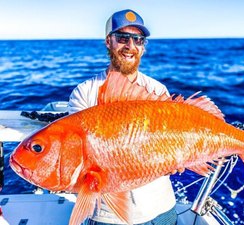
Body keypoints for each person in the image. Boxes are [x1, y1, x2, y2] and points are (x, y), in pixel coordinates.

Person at [68, 9, 177, 225]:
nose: (130, 46)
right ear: (108, 41)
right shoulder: (85, 93)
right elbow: (80, 157)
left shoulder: (157, 90)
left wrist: (178, 157)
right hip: (108, 217)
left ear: (143, 48)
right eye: (123, 38)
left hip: (161, 209)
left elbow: (173, 142)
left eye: (138, 39)